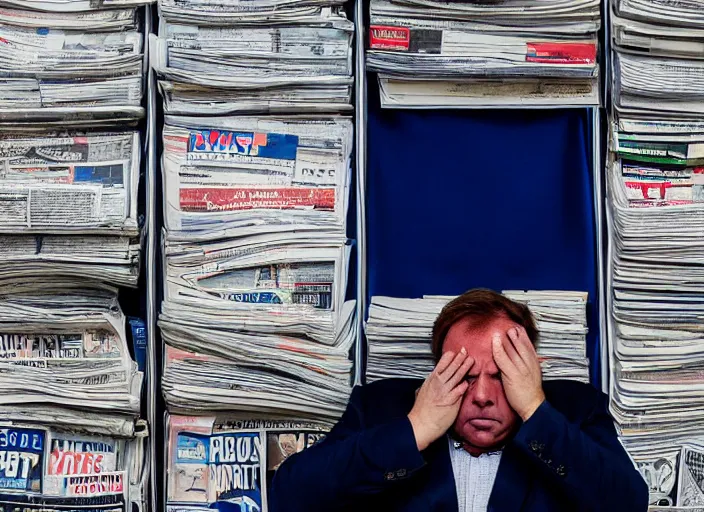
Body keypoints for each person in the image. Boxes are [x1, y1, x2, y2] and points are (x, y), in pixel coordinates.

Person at [269, 289, 649, 511]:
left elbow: (627, 504)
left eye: (501, 376)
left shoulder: (574, 410)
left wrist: (534, 410)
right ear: (437, 373)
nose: (482, 396)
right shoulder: (380, 408)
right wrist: (415, 429)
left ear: (531, 371)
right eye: (464, 377)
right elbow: (291, 496)